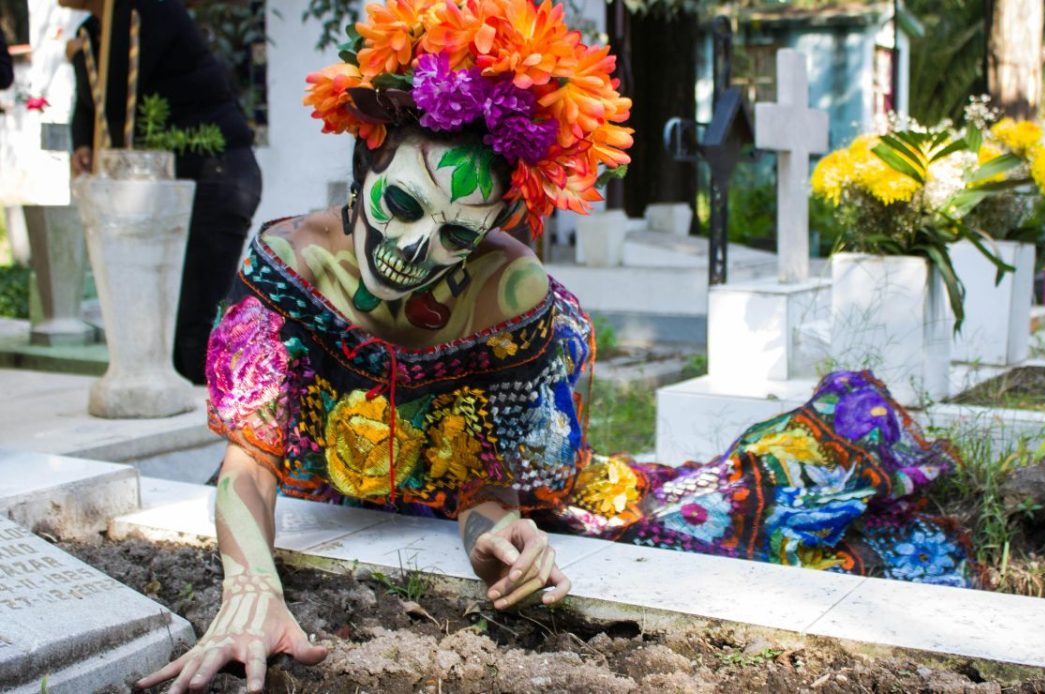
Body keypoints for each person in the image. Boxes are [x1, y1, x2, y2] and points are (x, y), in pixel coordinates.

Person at [137, 1, 970, 691]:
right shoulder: (287, 268)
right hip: (339, 496)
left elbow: (484, 485)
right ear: (368, 159)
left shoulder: (512, 295)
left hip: (441, 498)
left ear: (497, 225)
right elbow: (248, 464)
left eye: (457, 232)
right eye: (402, 205)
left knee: (726, 514)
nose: (416, 246)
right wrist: (251, 590)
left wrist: (498, 537)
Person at [63, 0, 261, 384]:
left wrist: (76, 59)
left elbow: (119, 96)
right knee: (162, 329)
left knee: (191, 324)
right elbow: (92, 107)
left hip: (216, 172)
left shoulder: (148, 11)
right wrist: (82, 142)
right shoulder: (91, 33)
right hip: (166, 184)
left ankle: (210, 428)